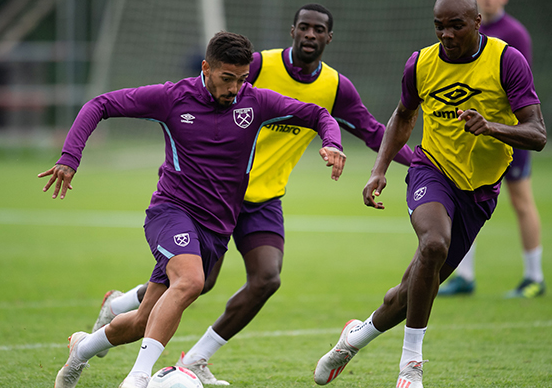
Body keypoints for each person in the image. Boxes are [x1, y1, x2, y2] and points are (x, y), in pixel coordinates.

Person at [89, 3, 414, 385]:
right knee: (196, 282)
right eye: (304, 28)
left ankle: (195, 358)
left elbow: (373, 131)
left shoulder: (336, 87)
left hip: (264, 199)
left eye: (318, 30)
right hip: (216, 195)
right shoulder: (256, 67)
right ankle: (122, 306)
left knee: (266, 278)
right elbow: (204, 96)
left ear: (329, 37)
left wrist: (418, 162)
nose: (310, 35)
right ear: (292, 31)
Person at [40, 31, 347, 388]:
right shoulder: (172, 98)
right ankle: (138, 378)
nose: (234, 88)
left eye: (242, 79)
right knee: (192, 281)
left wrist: (332, 142)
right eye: (226, 78)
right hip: (171, 211)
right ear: (206, 68)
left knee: (143, 320)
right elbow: (100, 104)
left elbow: (318, 114)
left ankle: (81, 349)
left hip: (216, 229)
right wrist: (70, 156)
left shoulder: (256, 103)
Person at [313, 0, 546, 387]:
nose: (447, 35)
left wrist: (492, 127)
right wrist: (379, 169)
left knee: (406, 295)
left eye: (456, 26)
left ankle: (354, 338)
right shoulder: (420, 63)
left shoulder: (507, 61)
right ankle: (411, 367)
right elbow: (403, 115)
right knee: (434, 243)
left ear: (476, 23)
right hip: (431, 169)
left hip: (480, 189)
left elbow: (537, 133)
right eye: (440, 27)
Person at [438, 0, 545, 298]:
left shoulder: (514, 35)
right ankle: (464, 276)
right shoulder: (460, 33)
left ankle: (534, 277)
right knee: (462, 201)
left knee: (521, 201)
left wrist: (502, 128)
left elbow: (523, 93)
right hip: (469, 138)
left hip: (507, 135)